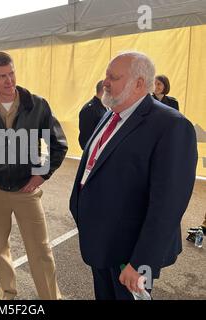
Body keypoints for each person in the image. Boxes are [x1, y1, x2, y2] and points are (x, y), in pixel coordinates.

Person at [69, 52, 197, 300]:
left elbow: (168, 205)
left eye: (113, 77)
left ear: (139, 83)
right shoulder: (111, 112)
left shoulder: (171, 126)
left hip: (130, 254)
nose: (105, 82)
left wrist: (142, 263)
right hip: (101, 242)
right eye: (106, 75)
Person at [0, 52, 68, 300]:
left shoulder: (37, 105)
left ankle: (50, 297)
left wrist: (43, 174)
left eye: (12, 73)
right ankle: (7, 294)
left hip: (26, 190)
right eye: (2, 76)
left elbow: (58, 144)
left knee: (40, 250)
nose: (9, 80)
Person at [78, 80, 108, 150]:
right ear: (104, 90)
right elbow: (85, 139)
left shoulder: (105, 106)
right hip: (93, 153)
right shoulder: (89, 109)